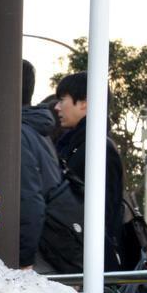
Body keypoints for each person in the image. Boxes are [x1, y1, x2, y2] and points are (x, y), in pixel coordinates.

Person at [54, 71, 124, 271]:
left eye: (62, 100)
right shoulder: (75, 143)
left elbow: (104, 215)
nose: (57, 107)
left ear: (85, 102)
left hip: (88, 265)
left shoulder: (99, 149)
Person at [19, 60, 63, 270]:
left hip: (36, 256)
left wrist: (23, 261)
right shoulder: (38, 132)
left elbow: (30, 200)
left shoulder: (17, 135)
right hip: (48, 245)